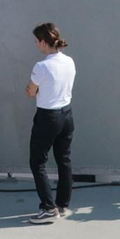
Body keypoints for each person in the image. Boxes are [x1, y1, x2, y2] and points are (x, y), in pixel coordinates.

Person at [24, 22, 75, 225]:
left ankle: (48, 208)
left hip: (48, 117)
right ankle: (62, 204)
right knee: (64, 159)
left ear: (44, 42)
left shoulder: (42, 66)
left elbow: (30, 91)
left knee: (37, 162)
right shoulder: (69, 61)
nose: (36, 45)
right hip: (67, 116)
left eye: (37, 41)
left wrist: (31, 90)